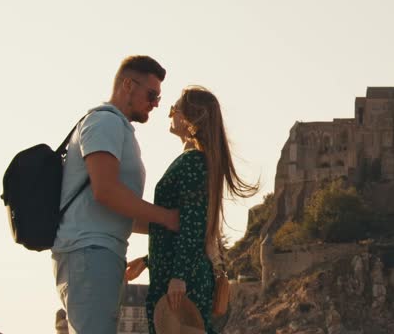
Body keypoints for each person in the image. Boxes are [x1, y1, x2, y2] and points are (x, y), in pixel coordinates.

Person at [52, 55, 180, 334]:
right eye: (152, 94)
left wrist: (177, 227)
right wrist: (167, 217)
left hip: (101, 254)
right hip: (89, 253)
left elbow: (120, 211)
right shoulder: (104, 123)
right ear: (127, 85)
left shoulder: (119, 128)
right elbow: (106, 191)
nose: (156, 103)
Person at [125, 86, 257, 333]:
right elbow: (184, 225)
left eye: (173, 109)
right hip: (177, 272)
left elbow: (193, 225)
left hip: (180, 279)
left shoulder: (193, 163)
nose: (169, 115)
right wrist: (148, 260)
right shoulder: (197, 161)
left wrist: (179, 277)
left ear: (190, 119)